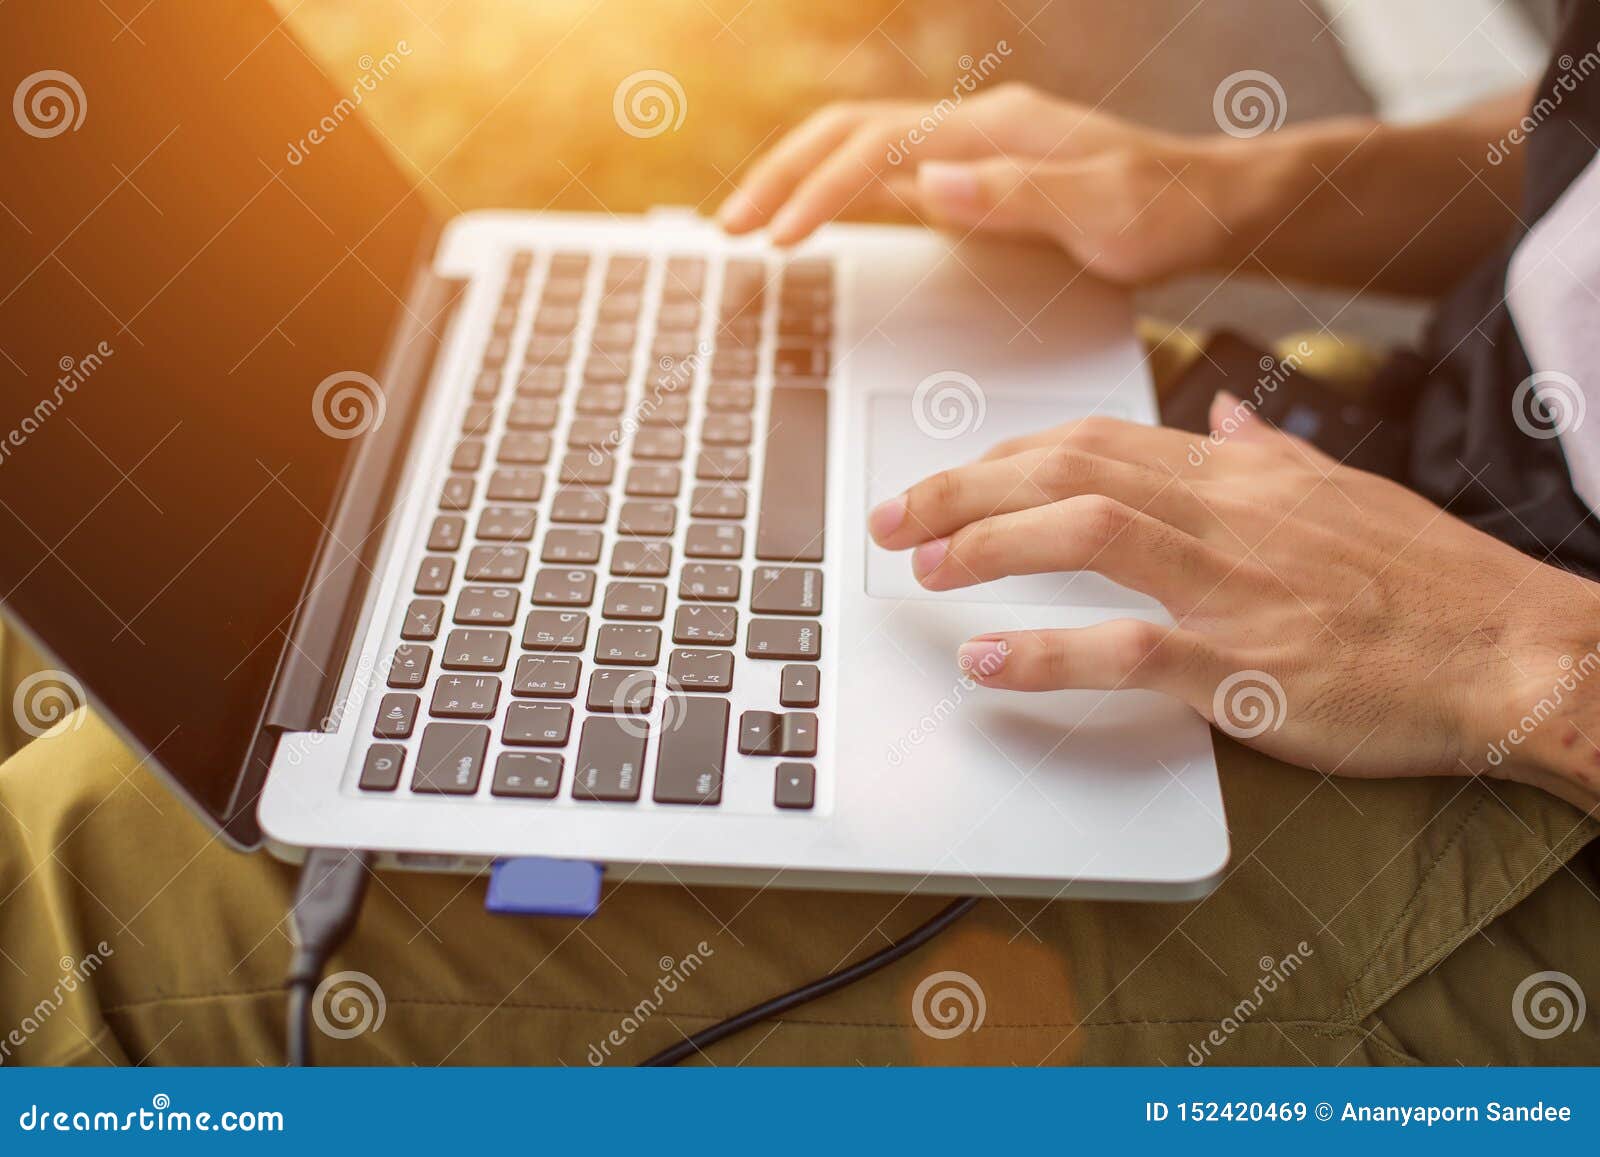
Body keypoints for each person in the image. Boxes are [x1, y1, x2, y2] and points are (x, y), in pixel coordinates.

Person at [2, 7, 1598, 1066]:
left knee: (84, 914)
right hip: (1377, 448)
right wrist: (1232, 188)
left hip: (1526, 760)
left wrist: (1521, 652)